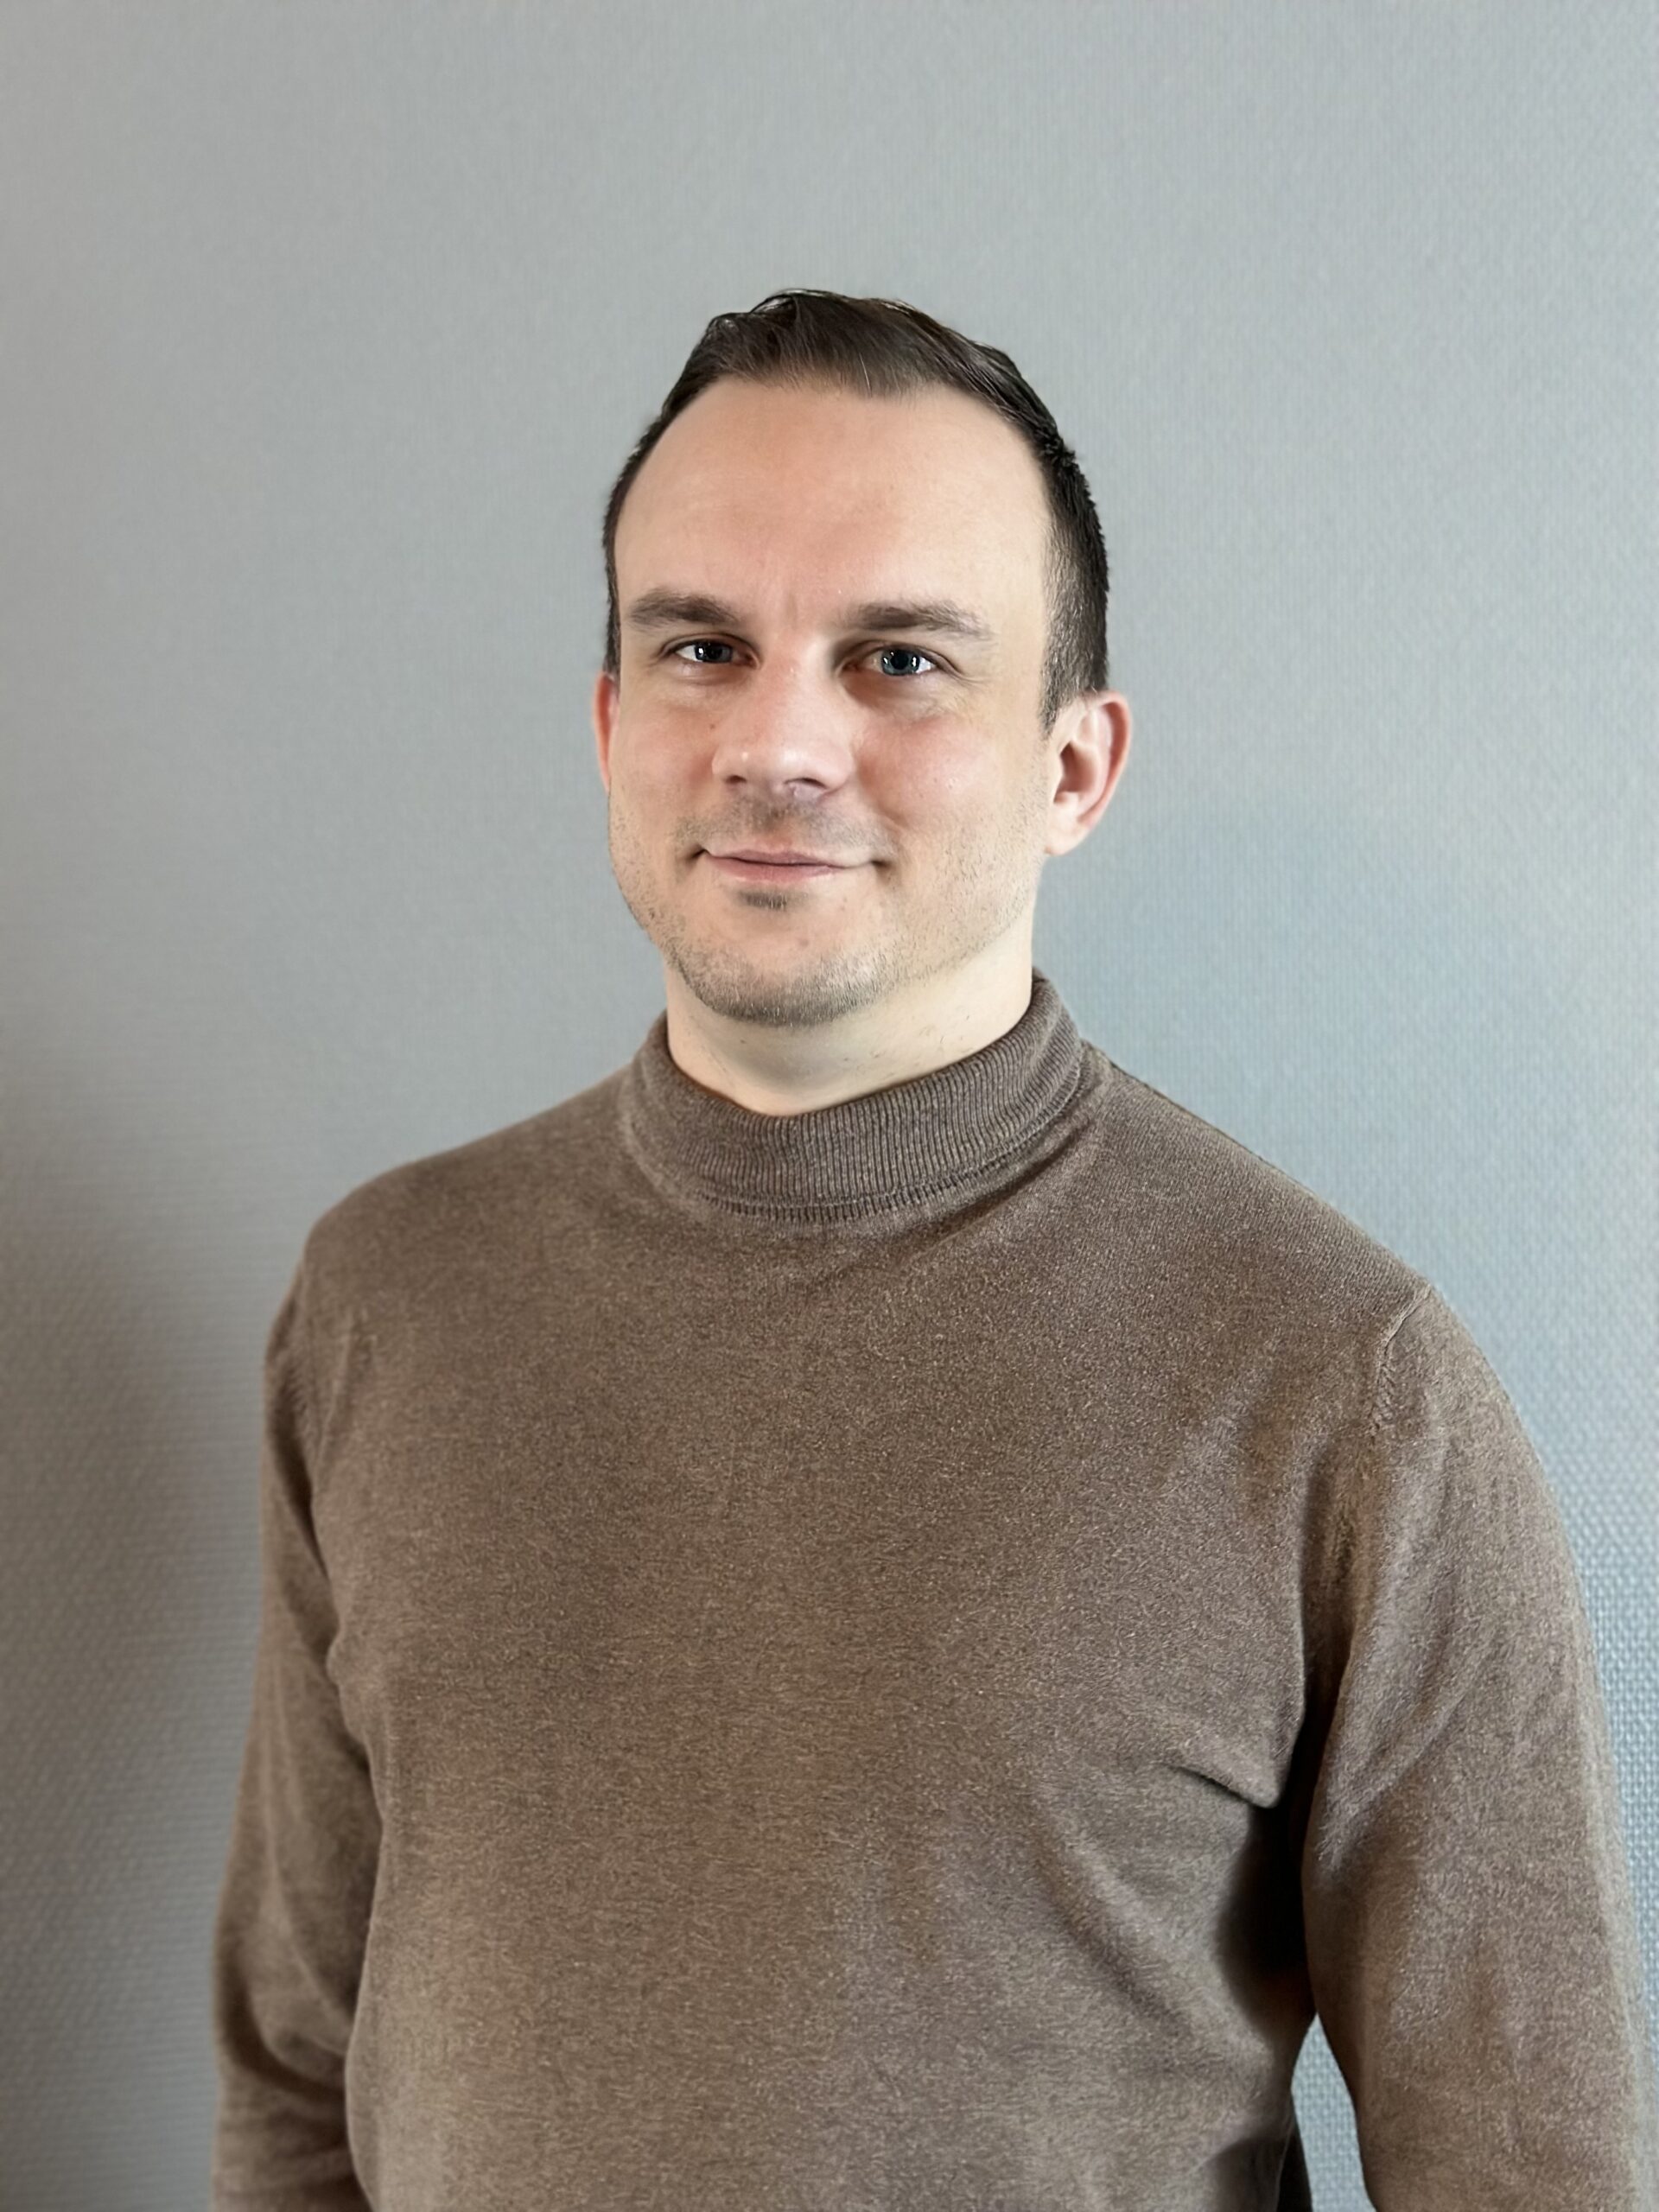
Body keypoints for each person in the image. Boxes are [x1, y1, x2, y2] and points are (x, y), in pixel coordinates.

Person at [209, 289, 1657, 2209]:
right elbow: (297, 2074)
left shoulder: (1339, 1383)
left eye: (897, 660)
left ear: (1075, 767)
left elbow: (1528, 2168)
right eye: (702, 648)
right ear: (613, 726)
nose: (777, 742)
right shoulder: (390, 1299)